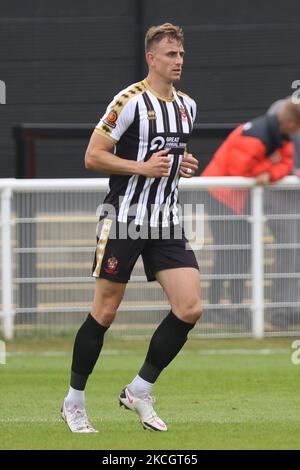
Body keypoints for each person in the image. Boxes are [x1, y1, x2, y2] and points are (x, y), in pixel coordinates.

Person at [61, 23, 202, 433]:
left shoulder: (187, 106)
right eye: (170, 54)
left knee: (190, 307)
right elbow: (93, 156)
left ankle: (139, 390)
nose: (178, 61)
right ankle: (74, 402)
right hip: (123, 218)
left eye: (181, 54)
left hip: (166, 220)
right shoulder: (128, 101)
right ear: (151, 58)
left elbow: (169, 154)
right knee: (105, 311)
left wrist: (183, 164)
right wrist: (140, 167)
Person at [201, 99, 300, 324]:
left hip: (238, 200)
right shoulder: (256, 135)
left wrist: (269, 170)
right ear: (291, 124)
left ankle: (235, 308)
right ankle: (215, 308)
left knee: (244, 252)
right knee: (228, 253)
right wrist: (269, 167)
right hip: (220, 196)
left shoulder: (278, 135)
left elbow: (284, 164)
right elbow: (242, 171)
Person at [265, 98, 300, 326]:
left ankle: (291, 308)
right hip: (280, 197)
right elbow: (268, 155)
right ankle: (281, 311)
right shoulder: (280, 110)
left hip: (293, 197)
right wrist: (293, 170)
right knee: (289, 249)